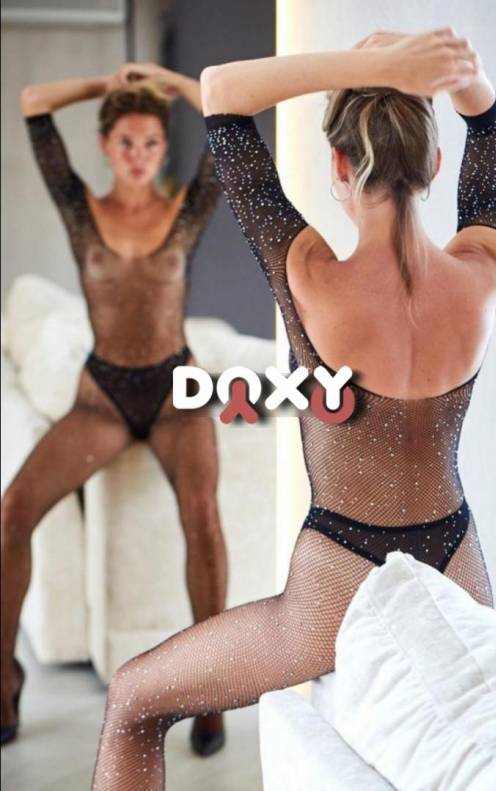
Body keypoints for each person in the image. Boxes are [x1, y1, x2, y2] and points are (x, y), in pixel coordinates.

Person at [90, 28, 496, 789]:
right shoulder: (483, 272)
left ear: (340, 166)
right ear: (432, 166)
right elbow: (490, 119)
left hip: (336, 578)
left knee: (133, 700)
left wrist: (374, 68)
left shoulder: (309, 273)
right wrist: (437, 75)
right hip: (457, 565)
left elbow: (221, 94)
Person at [1, 64, 228, 755]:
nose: (138, 156)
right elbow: (33, 102)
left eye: (151, 143)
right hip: (101, 397)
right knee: (12, 510)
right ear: (105, 146)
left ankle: (210, 689)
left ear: (164, 148)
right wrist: (106, 85)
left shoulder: (188, 208)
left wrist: (161, 79)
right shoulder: (79, 207)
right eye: (126, 142)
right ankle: (3, 676)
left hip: (177, 393)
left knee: (203, 515)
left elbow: (229, 113)